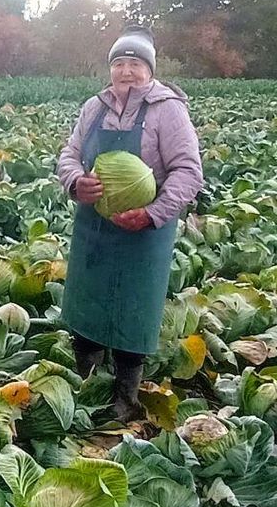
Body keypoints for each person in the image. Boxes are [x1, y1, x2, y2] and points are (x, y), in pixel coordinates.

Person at [57, 26, 204, 421]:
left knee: (133, 310)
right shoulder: (95, 107)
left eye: (135, 63)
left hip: (144, 233)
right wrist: (75, 181)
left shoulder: (167, 108)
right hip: (94, 227)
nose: (126, 71)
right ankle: (85, 382)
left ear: (149, 69)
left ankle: (126, 395)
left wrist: (153, 213)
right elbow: (69, 154)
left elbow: (188, 171)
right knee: (88, 305)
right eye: (119, 63)